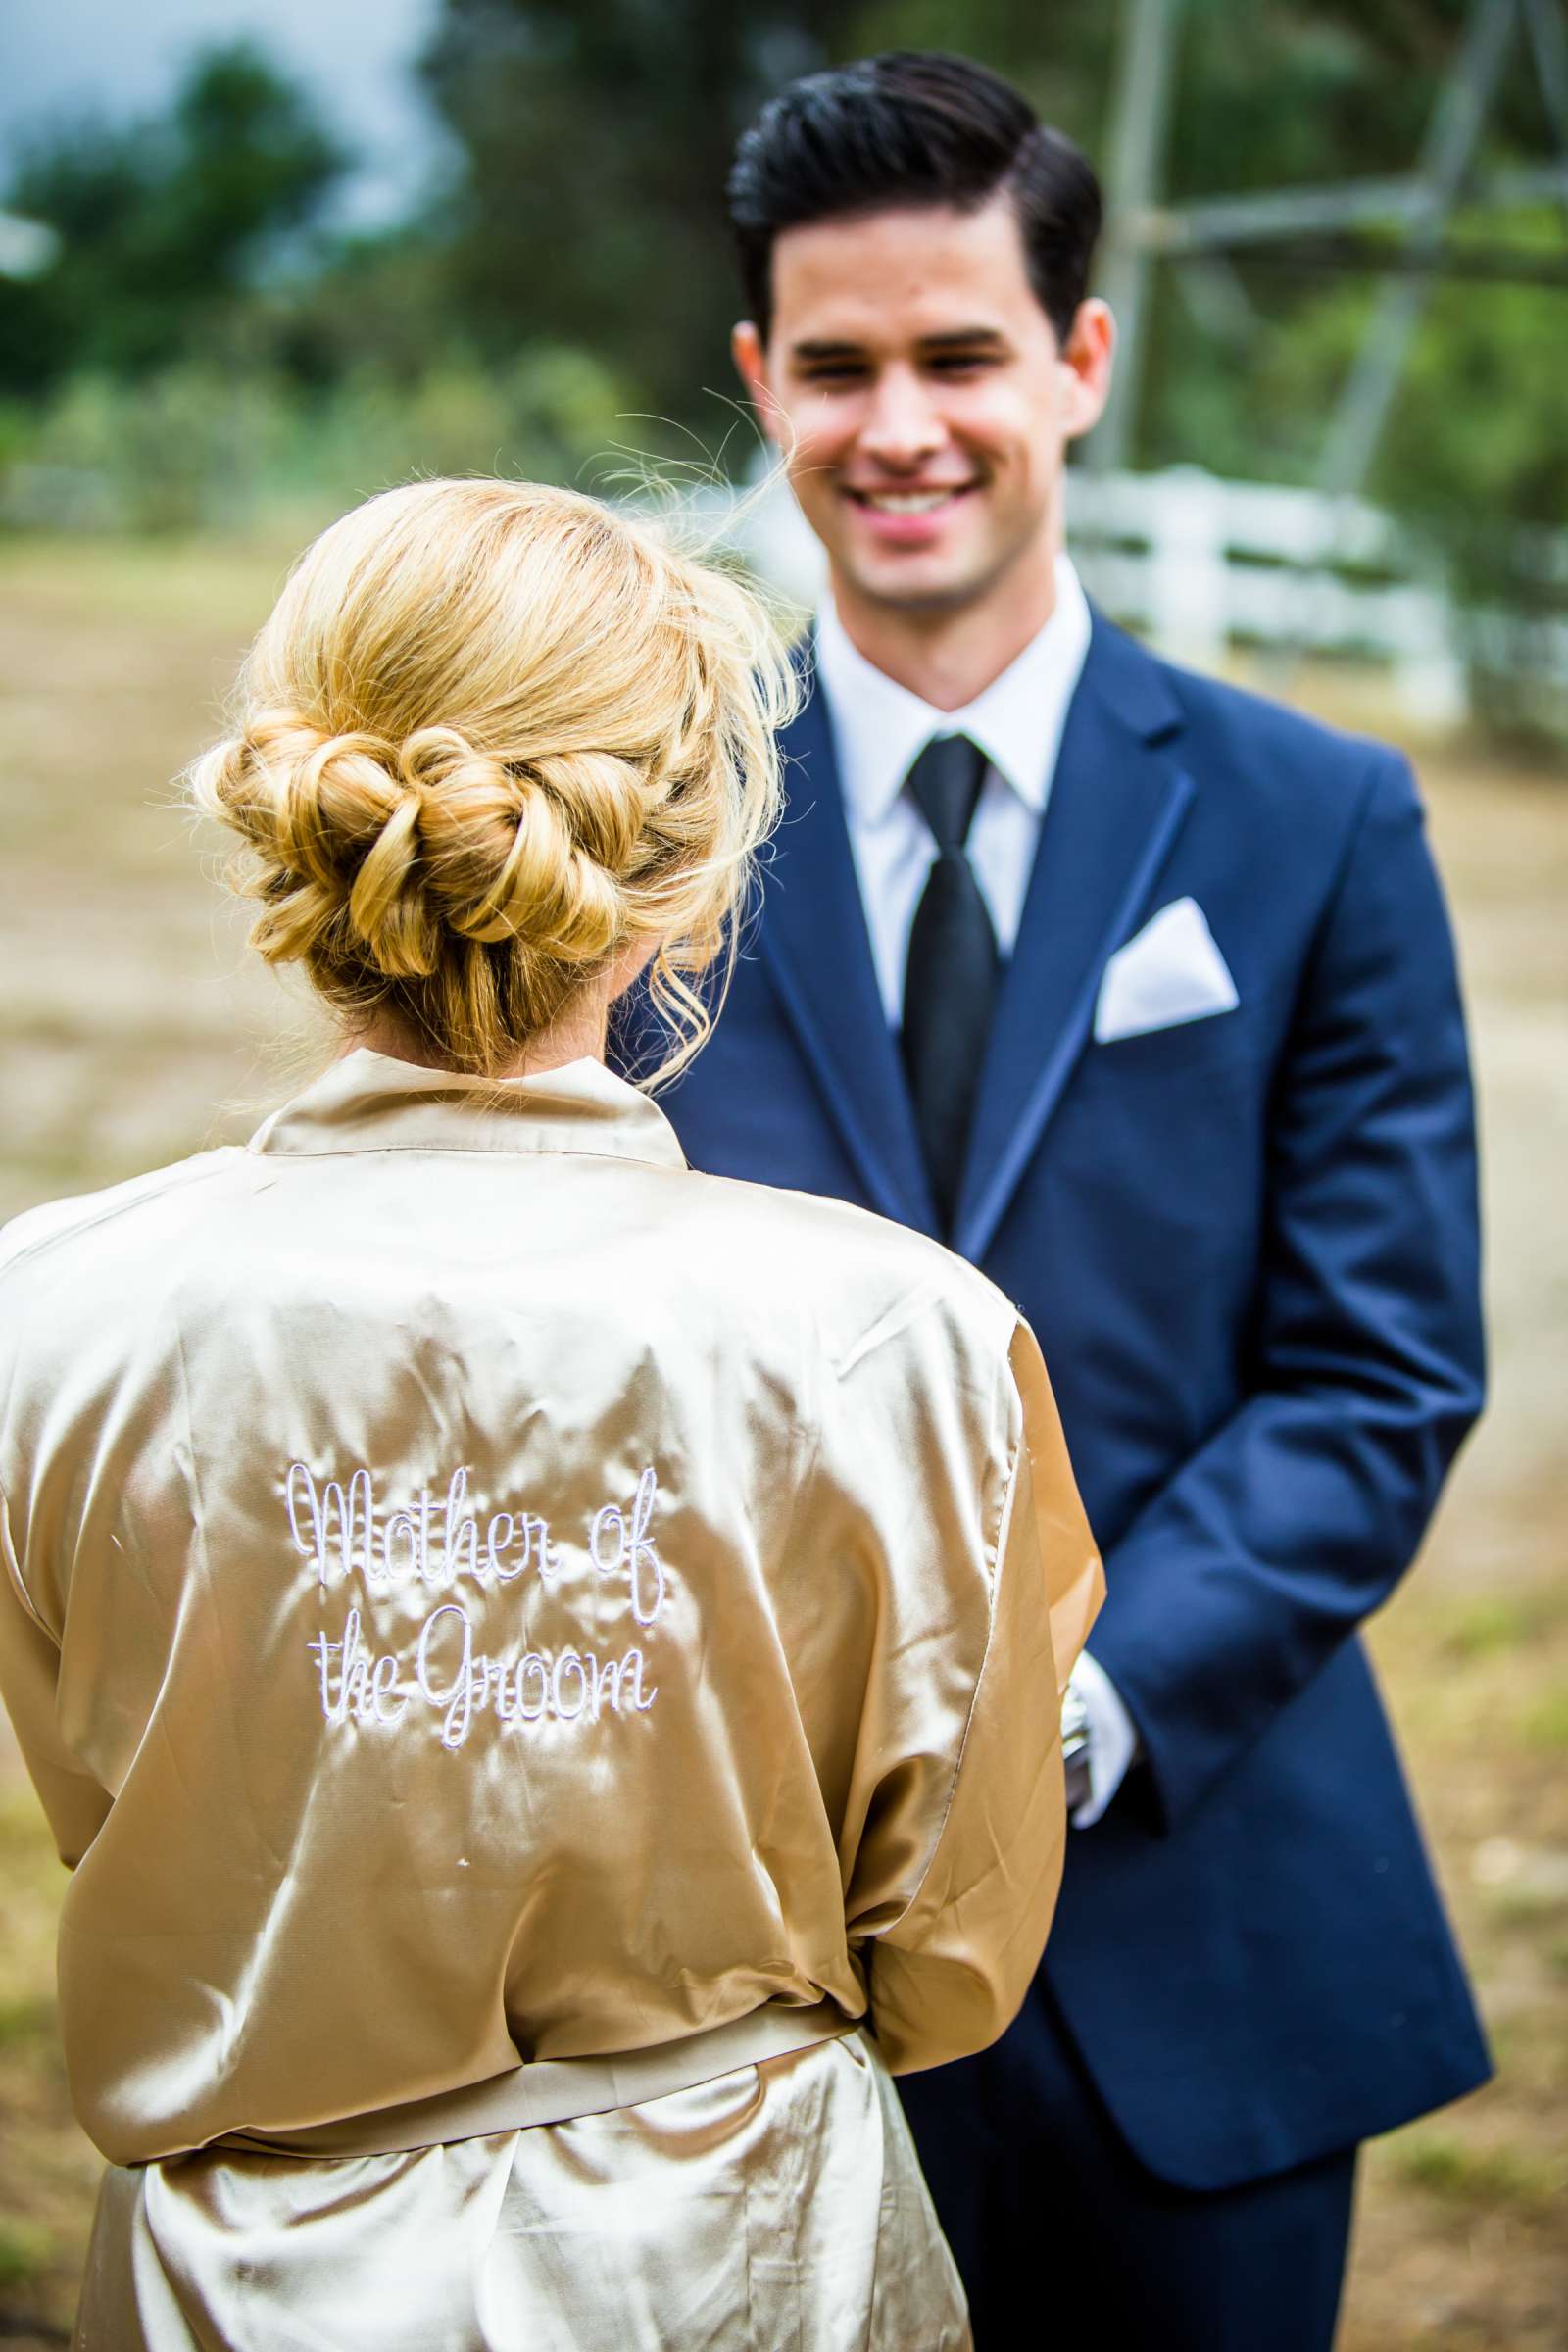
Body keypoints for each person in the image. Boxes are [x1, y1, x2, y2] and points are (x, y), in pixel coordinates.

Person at [0, 476, 1102, 2351]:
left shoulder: (51, 1315)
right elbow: (950, 1959)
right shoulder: (896, 1340)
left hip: (237, 2286)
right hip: (746, 2262)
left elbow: (112, 1788)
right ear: (680, 883)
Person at [631, 49, 1492, 2351]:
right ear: (757, 382)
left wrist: (1066, 1715)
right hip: (735, 1976)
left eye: (956, 356)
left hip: (1193, 1924)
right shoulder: (642, 844)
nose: (896, 425)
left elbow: (1375, 1371)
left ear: (1077, 363)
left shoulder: (1320, 826)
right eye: (835, 368)